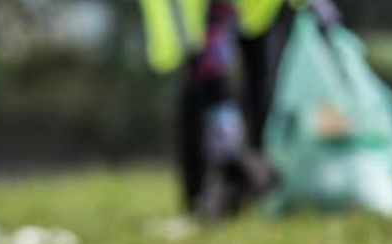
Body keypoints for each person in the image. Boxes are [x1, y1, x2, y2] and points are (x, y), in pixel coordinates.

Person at [140, 0, 329, 219]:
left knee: (255, 85)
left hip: (253, 9)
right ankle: (212, 189)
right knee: (205, 86)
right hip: (203, 11)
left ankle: (246, 181)